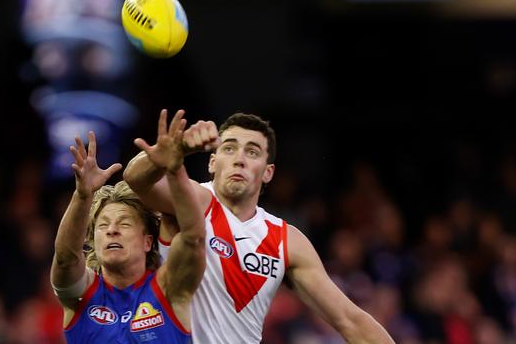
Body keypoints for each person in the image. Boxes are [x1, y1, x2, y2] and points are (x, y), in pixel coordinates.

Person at [124, 110, 395, 343]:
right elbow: (136, 180)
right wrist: (173, 150)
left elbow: (350, 320)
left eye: (252, 152)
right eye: (229, 148)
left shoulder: (285, 239)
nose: (239, 158)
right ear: (212, 161)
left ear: (268, 172)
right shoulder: (194, 200)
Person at [50, 117, 205, 343]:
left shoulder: (170, 288)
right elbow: (65, 259)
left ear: (148, 242)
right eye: (103, 226)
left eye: (124, 223)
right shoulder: (82, 296)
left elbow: (193, 239)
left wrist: (175, 170)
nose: (112, 230)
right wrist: (83, 196)